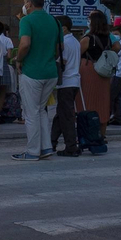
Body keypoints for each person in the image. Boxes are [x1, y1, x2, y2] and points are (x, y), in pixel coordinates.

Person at [12, 0, 61, 161]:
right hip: (51, 72)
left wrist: (19, 59)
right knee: (41, 110)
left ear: (29, 4)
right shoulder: (54, 21)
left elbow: (25, 44)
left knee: (31, 112)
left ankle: (33, 151)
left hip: (32, 72)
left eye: (25, 3)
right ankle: (46, 147)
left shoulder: (26, 20)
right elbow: (59, 49)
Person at [79, 9, 114, 141]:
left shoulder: (88, 39)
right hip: (104, 73)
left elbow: (76, 54)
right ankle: (101, 134)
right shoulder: (108, 38)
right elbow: (117, 47)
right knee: (102, 103)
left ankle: (87, 134)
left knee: (86, 103)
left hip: (88, 71)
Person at [51, 15, 82, 156]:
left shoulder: (65, 43)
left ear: (63, 28)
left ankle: (71, 147)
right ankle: (51, 142)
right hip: (74, 81)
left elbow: (62, 62)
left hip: (66, 82)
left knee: (66, 117)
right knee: (61, 114)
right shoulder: (75, 41)